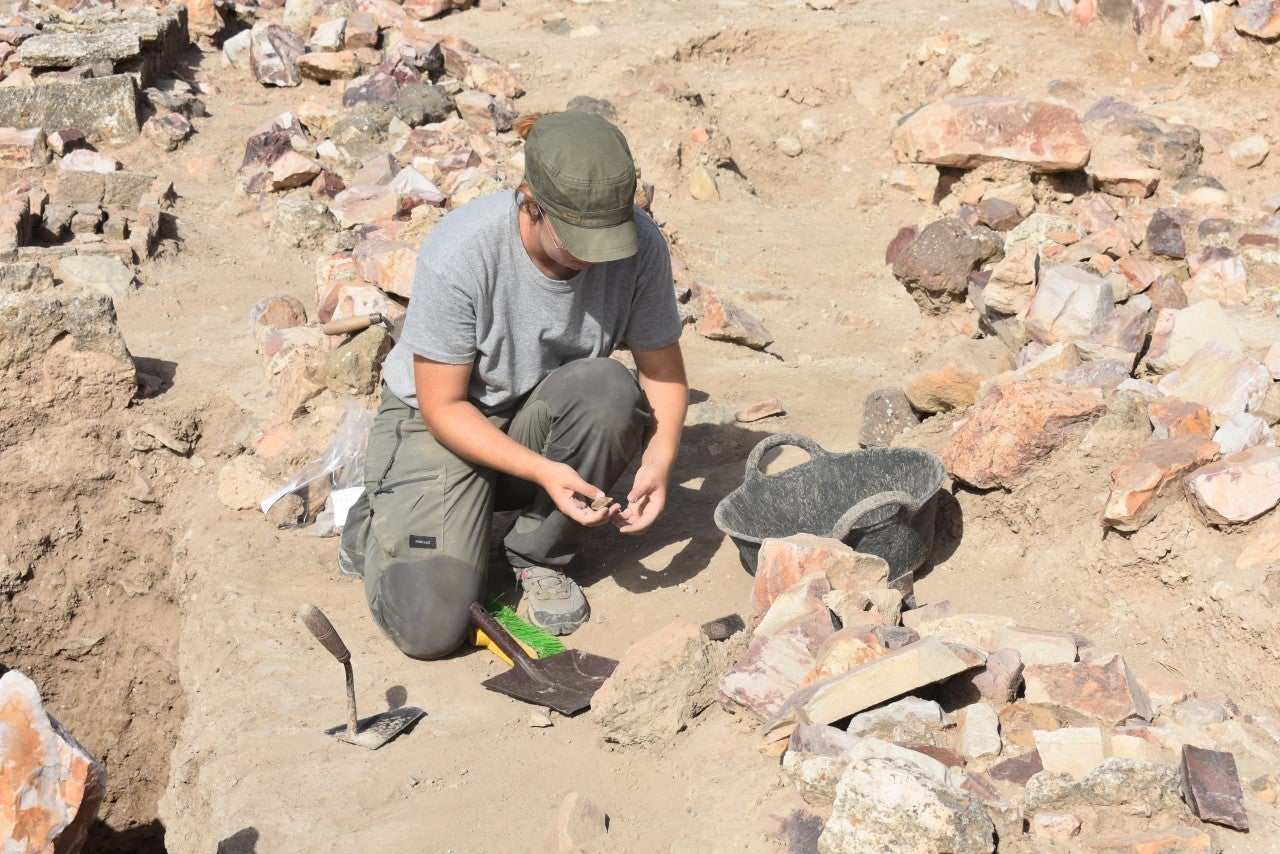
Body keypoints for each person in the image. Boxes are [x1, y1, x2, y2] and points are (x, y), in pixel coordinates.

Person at [338, 110, 688, 659]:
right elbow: (442, 405)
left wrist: (660, 459)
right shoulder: (464, 251)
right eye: (579, 239)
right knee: (431, 628)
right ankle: (378, 518)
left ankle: (538, 554)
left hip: (533, 415)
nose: (597, 257)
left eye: (607, 239)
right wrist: (545, 471)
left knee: (609, 390)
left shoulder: (639, 245)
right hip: (441, 425)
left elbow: (662, 372)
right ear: (531, 204)